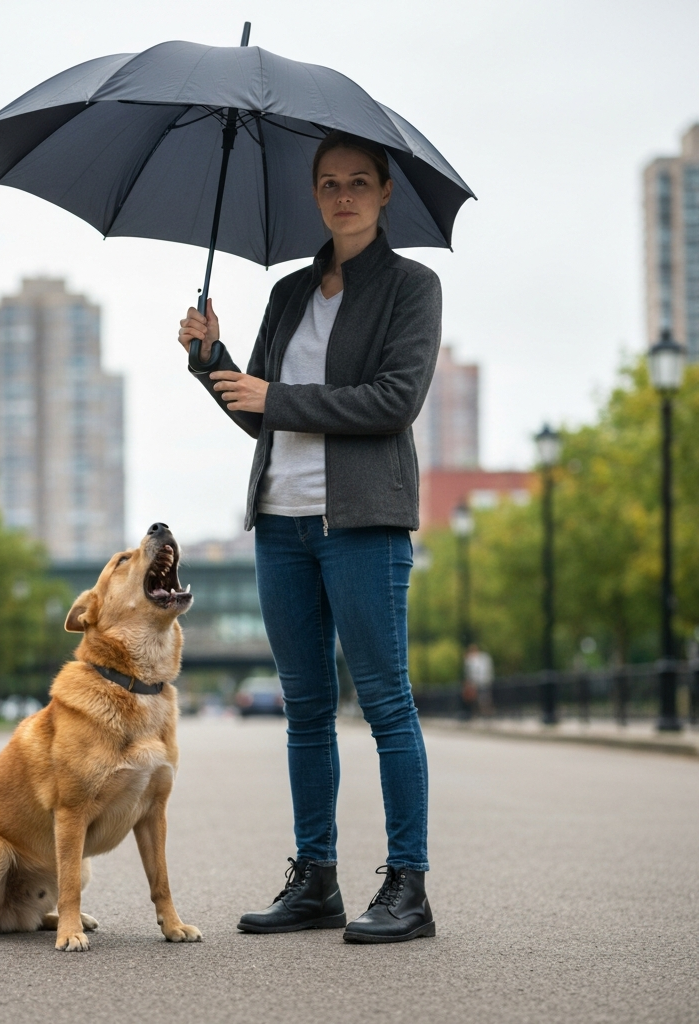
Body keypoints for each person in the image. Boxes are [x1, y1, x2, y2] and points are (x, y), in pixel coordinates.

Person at [177, 130, 441, 944]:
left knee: (386, 703)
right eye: (329, 182)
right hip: (280, 521)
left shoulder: (412, 287)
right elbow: (257, 410)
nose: (343, 195)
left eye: (359, 181)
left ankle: (408, 886)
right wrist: (210, 359)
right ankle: (315, 879)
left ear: (386, 192)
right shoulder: (290, 292)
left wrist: (276, 396)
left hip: (362, 523)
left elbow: (392, 401)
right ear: (315, 194)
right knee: (305, 711)